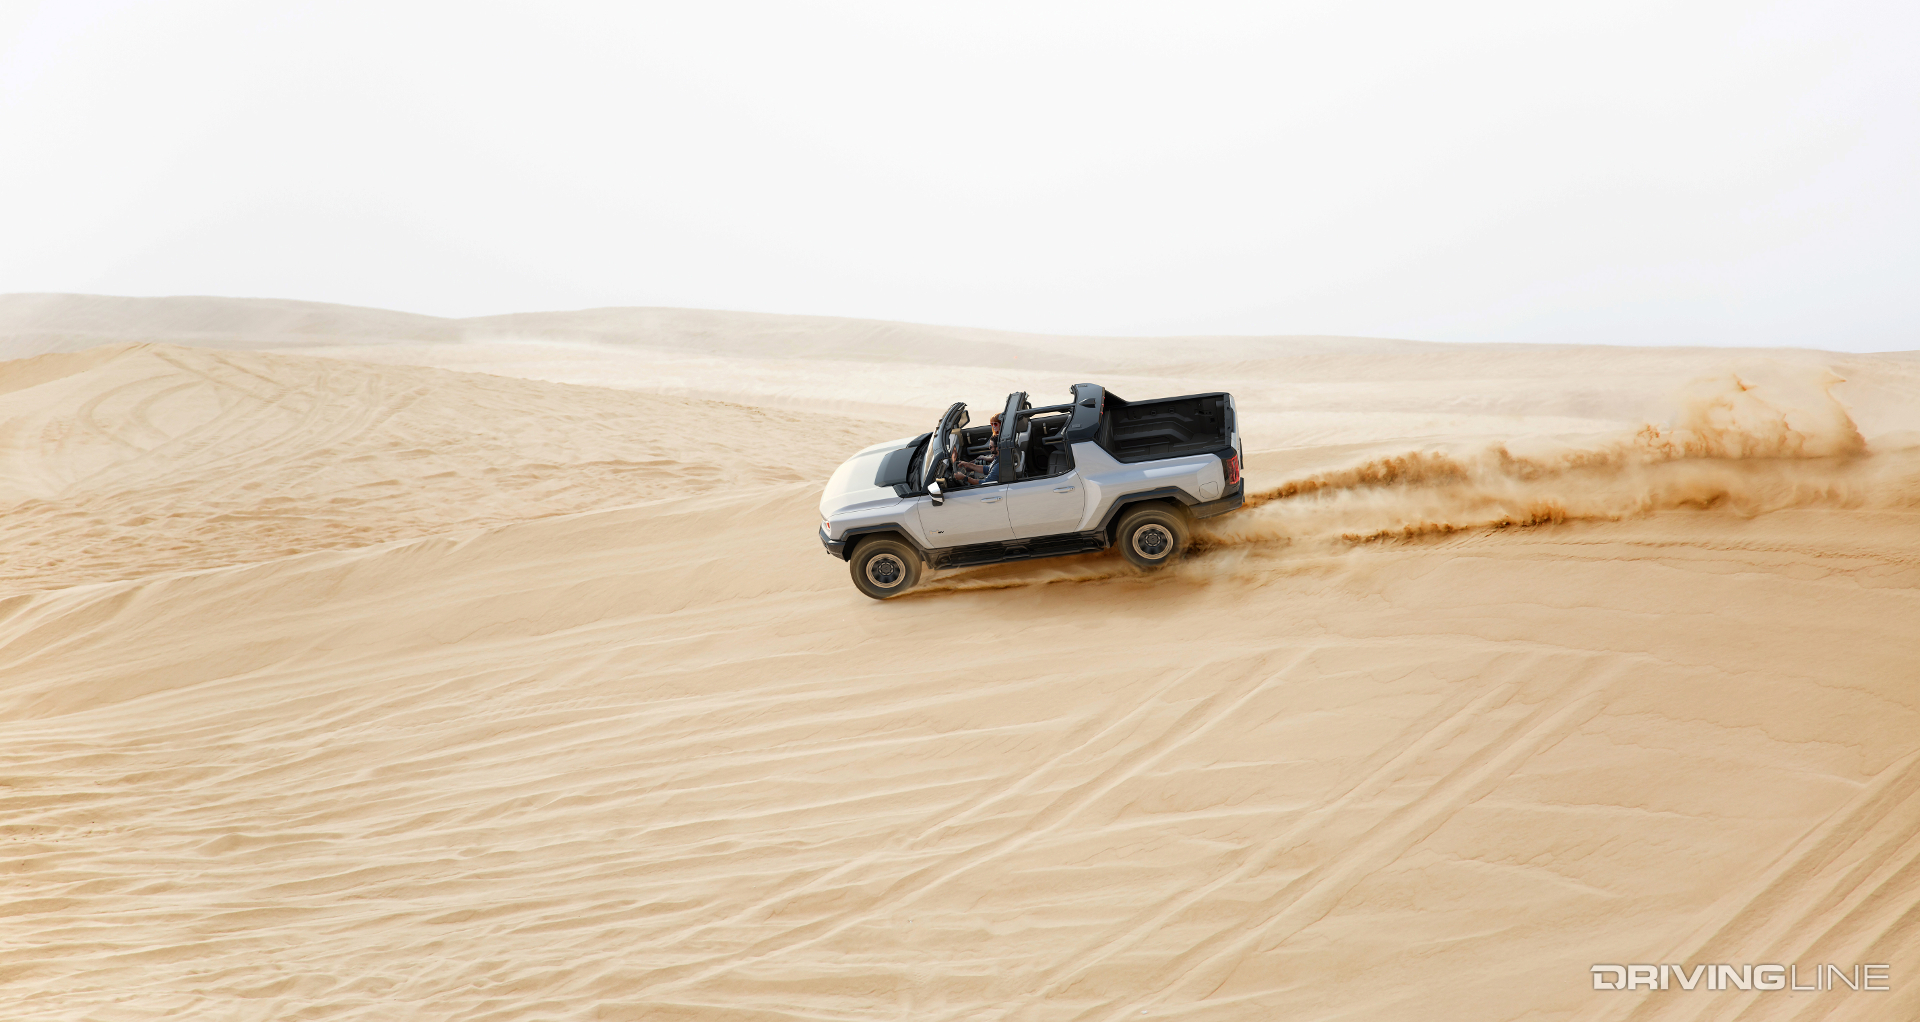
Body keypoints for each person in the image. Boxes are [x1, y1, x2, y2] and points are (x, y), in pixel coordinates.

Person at [949, 413, 1003, 486]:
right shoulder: (997, 458)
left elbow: (985, 483)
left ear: (997, 448)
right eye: (991, 424)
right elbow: (988, 469)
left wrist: (965, 478)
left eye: (991, 447)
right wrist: (968, 464)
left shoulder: (998, 466)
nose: (989, 448)